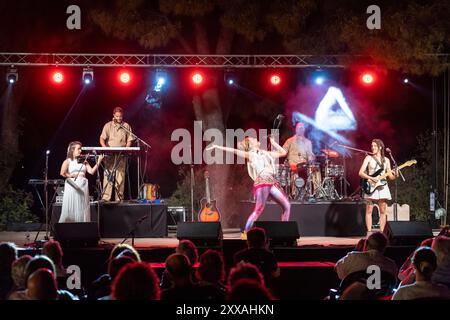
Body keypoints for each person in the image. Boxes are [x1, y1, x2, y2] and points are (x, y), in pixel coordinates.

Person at [207, 135, 290, 232]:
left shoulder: (265, 153)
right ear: (250, 145)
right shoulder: (251, 155)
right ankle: (246, 233)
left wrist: (273, 143)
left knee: (286, 206)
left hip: (271, 182)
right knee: (258, 210)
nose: (256, 139)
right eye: (253, 139)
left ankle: (285, 231)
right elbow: (233, 150)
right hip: (262, 181)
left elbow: (283, 152)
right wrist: (217, 147)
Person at [358, 139, 398, 232]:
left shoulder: (387, 160)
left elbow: (390, 176)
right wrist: (371, 178)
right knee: (369, 209)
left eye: (375, 146)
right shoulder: (368, 158)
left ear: (380, 147)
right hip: (370, 186)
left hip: (382, 186)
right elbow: (360, 173)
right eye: (372, 146)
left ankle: (382, 233)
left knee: (383, 210)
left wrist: (396, 175)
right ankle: (369, 232)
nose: (372, 148)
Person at [59, 141, 104, 223]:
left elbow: (91, 172)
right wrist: (71, 176)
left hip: (83, 185)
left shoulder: (84, 161)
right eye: (78, 149)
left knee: (82, 206)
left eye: (81, 149)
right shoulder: (68, 161)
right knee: (72, 205)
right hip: (72, 185)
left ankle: (82, 225)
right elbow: (62, 173)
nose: (80, 151)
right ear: (72, 150)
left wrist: (99, 161)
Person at [99, 107, 134, 202]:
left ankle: (119, 198)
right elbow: (102, 138)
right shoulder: (108, 125)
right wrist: (104, 147)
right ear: (114, 115)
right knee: (108, 175)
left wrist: (127, 148)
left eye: (120, 116)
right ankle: (106, 197)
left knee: (120, 176)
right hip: (109, 154)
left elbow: (130, 139)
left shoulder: (126, 125)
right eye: (117, 116)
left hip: (121, 154)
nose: (119, 118)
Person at [282, 122, 318, 198]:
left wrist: (312, 158)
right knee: (295, 171)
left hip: (304, 166)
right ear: (296, 129)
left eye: (302, 128)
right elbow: (283, 152)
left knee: (316, 169)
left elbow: (310, 156)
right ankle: (296, 193)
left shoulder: (308, 142)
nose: (300, 129)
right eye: (298, 128)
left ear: (304, 130)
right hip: (293, 165)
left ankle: (315, 192)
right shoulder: (290, 140)